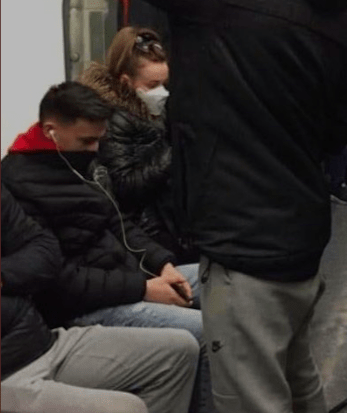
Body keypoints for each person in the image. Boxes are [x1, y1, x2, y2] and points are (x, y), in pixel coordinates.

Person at [139, 1, 347, 412]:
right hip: (301, 230)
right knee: (297, 377)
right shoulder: (342, 16)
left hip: (240, 235)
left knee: (251, 398)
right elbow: (338, 132)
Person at [1, 81, 213, 413]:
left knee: (221, 280)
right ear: (51, 131)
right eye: (87, 140)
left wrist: (161, 264)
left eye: (99, 139)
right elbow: (59, 279)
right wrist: (143, 289)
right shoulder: (18, 182)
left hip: (126, 277)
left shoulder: (75, 163)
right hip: (88, 304)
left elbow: (117, 221)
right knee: (203, 332)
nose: (95, 149)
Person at [1, 184, 199, 413]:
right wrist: (141, 288)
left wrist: (161, 263)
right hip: (18, 362)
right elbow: (63, 283)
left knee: (181, 349)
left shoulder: (77, 173)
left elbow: (45, 252)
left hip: (39, 340)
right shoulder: (22, 179)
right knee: (128, 408)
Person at [79, 26, 197, 263]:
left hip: (166, 220)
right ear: (126, 81)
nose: (162, 93)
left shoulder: (149, 109)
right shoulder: (113, 120)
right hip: (142, 232)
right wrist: (172, 153)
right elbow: (125, 186)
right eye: (153, 85)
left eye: (164, 84)